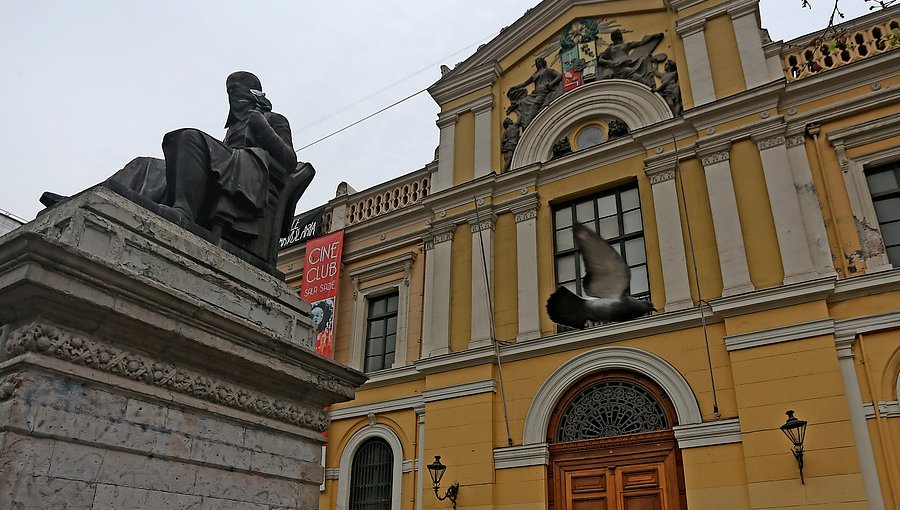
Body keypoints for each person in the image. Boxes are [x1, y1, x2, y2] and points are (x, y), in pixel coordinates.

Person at [157, 71, 297, 241]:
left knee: (190, 137)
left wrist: (263, 127)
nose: (233, 96)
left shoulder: (274, 119)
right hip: (230, 165)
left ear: (253, 92)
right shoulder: (233, 128)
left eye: (236, 90)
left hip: (250, 169)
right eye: (229, 92)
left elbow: (290, 161)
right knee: (150, 166)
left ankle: (183, 210)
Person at [507, 57, 563, 131]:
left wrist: (551, 84)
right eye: (536, 62)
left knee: (535, 104)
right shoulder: (535, 75)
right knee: (523, 102)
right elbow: (524, 83)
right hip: (536, 92)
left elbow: (560, 76)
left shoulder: (548, 70)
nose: (538, 63)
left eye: (539, 62)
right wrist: (514, 87)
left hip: (544, 91)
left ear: (543, 62)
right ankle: (526, 121)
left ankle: (529, 124)